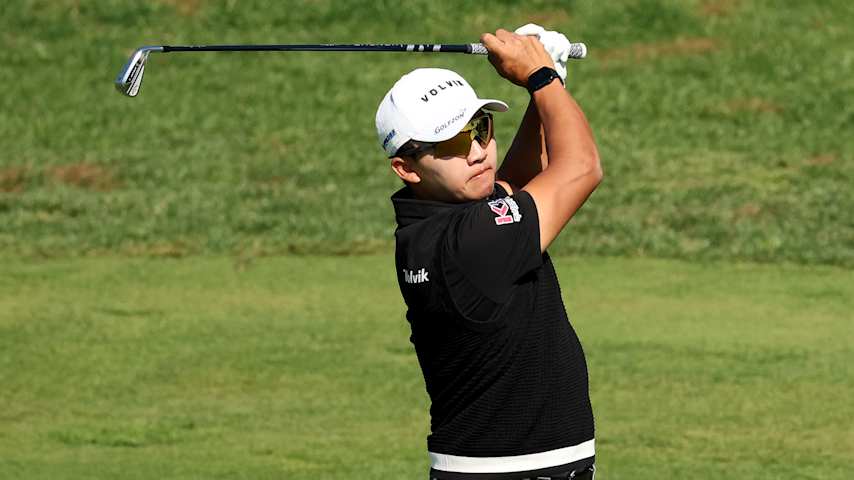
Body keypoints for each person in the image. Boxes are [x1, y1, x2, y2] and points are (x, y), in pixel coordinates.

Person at [375, 26, 603, 480]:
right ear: (406, 167)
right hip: (516, 470)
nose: (478, 151)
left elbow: (516, 185)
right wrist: (541, 79)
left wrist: (549, 82)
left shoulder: (430, 226)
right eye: (454, 142)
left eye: (480, 128)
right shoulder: (469, 242)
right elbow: (582, 168)